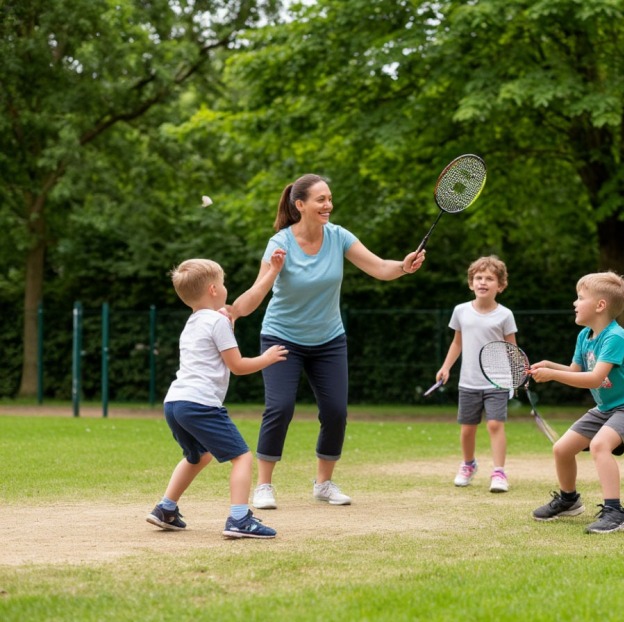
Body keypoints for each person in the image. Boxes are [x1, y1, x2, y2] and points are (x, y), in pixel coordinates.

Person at [228, 173, 426, 510]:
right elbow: (258, 291)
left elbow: (379, 267)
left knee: (335, 411)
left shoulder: (339, 237)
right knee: (280, 407)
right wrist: (233, 311)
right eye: (321, 199)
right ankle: (264, 486)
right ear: (300, 204)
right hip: (282, 336)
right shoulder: (281, 243)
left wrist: (404, 267)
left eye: (330, 198)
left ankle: (324, 484)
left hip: (329, 339)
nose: (329, 205)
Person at [146, 258, 288, 539]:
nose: (225, 288)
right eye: (223, 283)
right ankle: (239, 519)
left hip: (175, 403)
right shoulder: (218, 322)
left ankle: (166, 509)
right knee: (243, 457)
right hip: (200, 404)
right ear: (213, 290)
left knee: (197, 455)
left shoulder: (193, 322)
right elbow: (237, 366)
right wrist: (267, 358)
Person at [529, 272, 624, 534]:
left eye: (580, 298)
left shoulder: (615, 337)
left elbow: (596, 378)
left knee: (599, 445)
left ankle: (616, 512)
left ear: (600, 306)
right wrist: (549, 366)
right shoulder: (585, 336)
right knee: (562, 449)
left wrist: (552, 375)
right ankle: (569, 499)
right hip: (607, 409)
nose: (575, 303)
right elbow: (576, 370)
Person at [435, 256, 518, 493]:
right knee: (467, 428)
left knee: (494, 425)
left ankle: (499, 472)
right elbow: (456, 343)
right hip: (468, 381)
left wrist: (517, 375)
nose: (483, 282)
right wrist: (446, 367)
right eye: (478, 278)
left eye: (489, 278)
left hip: (497, 381)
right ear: (471, 283)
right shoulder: (460, 311)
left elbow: (512, 349)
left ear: (500, 286)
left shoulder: (505, 315)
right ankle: (469, 465)